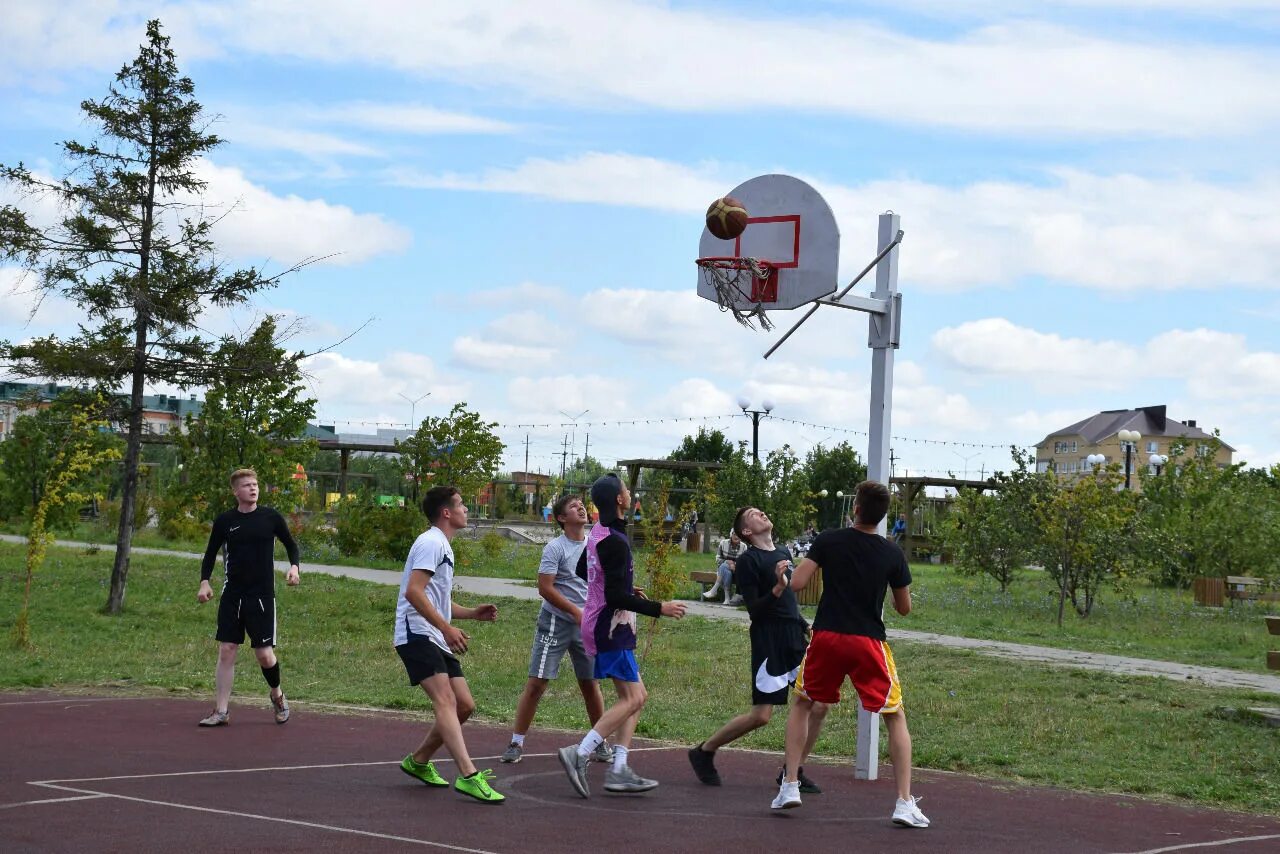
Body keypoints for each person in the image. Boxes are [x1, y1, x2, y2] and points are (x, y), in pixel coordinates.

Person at [771, 480, 928, 828]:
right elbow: (904, 609)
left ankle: (790, 785)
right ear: (884, 516)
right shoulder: (892, 554)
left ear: (855, 508)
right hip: (868, 642)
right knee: (894, 715)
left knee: (802, 703)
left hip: (827, 636)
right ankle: (904, 801)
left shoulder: (828, 539)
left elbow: (797, 584)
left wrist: (782, 574)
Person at [558, 473, 687, 798]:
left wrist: (621, 586)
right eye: (626, 490)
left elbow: (585, 572)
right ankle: (581, 752)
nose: (629, 494)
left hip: (605, 623)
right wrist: (661, 607)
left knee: (635, 697)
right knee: (634, 698)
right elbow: (614, 596)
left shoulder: (600, 534)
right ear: (619, 499)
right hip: (609, 626)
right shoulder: (614, 540)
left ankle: (619, 769)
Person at [688, 506, 824, 793]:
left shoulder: (784, 551)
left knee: (819, 704)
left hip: (794, 635)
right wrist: (776, 587)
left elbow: (789, 599)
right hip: (768, 637)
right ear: (746, 532)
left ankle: (793, 770)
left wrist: (803, 623)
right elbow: (755, 610)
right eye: (753, 514)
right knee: (761, 716)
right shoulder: (749, 560)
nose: (761, 513)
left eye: (761, 511)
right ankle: (705, 750)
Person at [395, 485, 505, 804]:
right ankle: (469, 776)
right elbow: (413, 593)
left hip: (432, 632)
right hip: (416, 633)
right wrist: (445, 628)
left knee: (464, 705)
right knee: (445, 701)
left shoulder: (442, 544)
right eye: (461, 505)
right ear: (446, 512)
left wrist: (472, 614)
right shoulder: (431, 542)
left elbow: (436, 601)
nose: (466, 510)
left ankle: (417, 761)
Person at [502, 494, 613, 766]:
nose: (582, 508)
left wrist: (625, 593)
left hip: (585, 625)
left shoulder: (595, 546)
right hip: (556, 622)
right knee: (537, 683)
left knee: (590, 684)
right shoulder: (555, 548)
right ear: (562, 518)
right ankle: (516, 742)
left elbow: (601, 582)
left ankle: (599, 742)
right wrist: (574, 612)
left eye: (583, 505)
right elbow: (545, 587)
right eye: (574, 507)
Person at [196, 468, 300, 727]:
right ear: (235, 492)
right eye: (246, 485)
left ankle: (277, 693)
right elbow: (210, 554)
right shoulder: (225, 521)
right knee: (227, 650)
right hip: (232, 595)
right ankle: (221, 711)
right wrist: (205, 582)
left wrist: (294, 567)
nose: (253, 488)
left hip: (261, 597)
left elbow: (291, 544)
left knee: (264, 654)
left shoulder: (271, 518)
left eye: (255, 484)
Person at [703, 529, 748, 605]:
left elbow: (745, 563)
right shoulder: (723, 543)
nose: (736, 536)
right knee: (725, 568)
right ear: (731, 534)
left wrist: (734, 564)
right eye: (734, 534)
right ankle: (727, 599)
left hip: (737, 572)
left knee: (725, 566)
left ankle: (715, 590)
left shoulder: (744, 547)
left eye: (738, 535)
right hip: (723, 570)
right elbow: (717, 559)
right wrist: (727, 562)